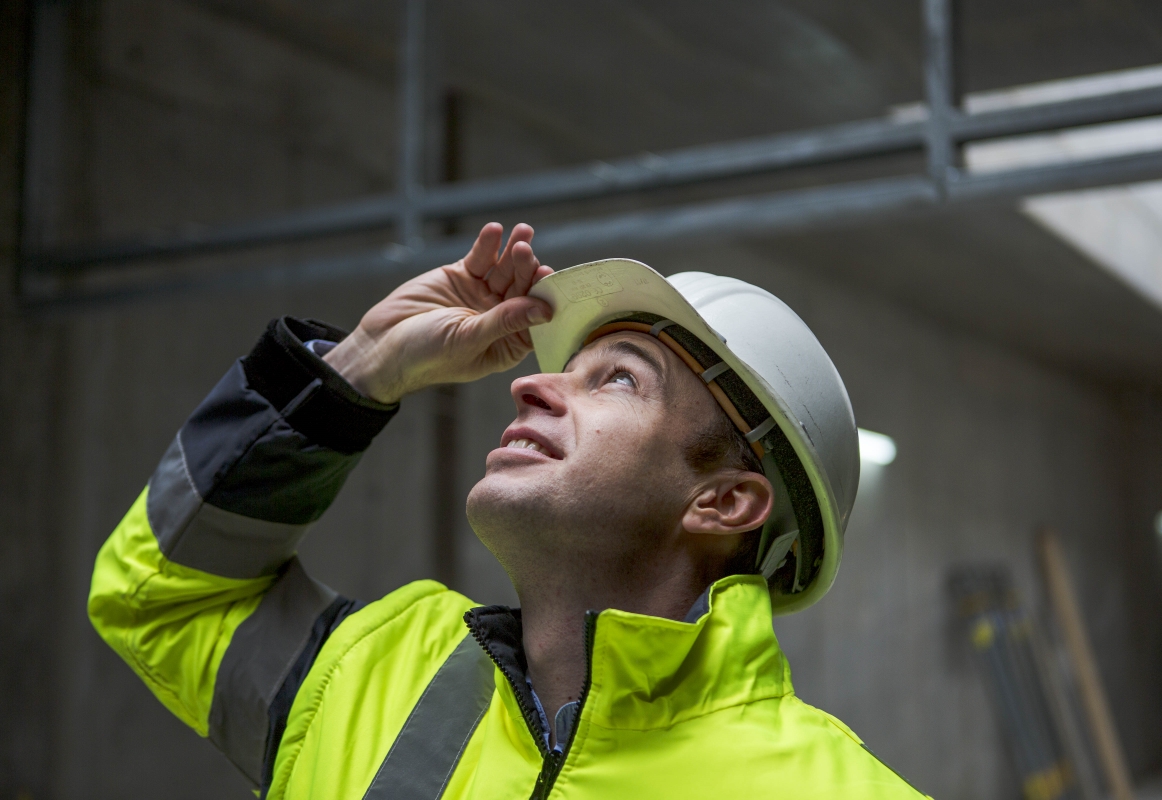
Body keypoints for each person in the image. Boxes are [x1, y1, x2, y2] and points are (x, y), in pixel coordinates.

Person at [89, 222, 927, 799]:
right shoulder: (378, 673)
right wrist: (365, 365)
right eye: (564, 369)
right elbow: (160, 596)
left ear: (723, 501)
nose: (529, 382)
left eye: (620, 379)